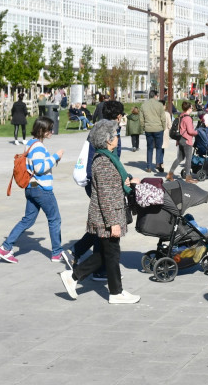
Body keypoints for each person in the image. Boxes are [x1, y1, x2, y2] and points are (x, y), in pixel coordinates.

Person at [59, 120, 140, 304]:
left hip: (109, 214)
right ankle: (111, 291)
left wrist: (125, 181)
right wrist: (113, 223)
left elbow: (113, 185)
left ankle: (80, 279)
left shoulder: (108, 158)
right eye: (116, 135)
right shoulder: (103, 162)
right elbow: (105, 196)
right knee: (111, 253)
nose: (118, 137)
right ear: (108, 140)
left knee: (107, 254)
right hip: (107, 217)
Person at [0, 117, 66, 264]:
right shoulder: (39, 147)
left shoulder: (30, 144)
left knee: (28, 219)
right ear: (42, 130)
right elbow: (39, 168)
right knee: (54, 219)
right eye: (49, 129)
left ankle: (6, 247)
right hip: (42, 188)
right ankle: (57, 253)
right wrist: (55, 156)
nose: (52, 132)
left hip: (31, 187)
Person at [167, 101, 198, 183]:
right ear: (188, 109)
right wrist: (197, 132)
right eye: (191, 108)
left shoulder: (181, 116)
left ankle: (170, 174)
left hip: (180, 139)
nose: (192, 109)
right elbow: (191, 131)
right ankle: (188, 177)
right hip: (187, 140)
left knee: (179, 158)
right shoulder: (187, 118)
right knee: (188, 159)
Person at [141, 89, 167, 173]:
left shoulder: (144, 105)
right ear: (155, 96)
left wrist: (143, 127)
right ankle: (158, 163)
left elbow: (141, 119)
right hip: (158, 128)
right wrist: (164, 127)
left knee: (149, 148)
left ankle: (148, 167)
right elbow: (163, 118)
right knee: (159, 147)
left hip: (148, 128)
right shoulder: (159, 105)